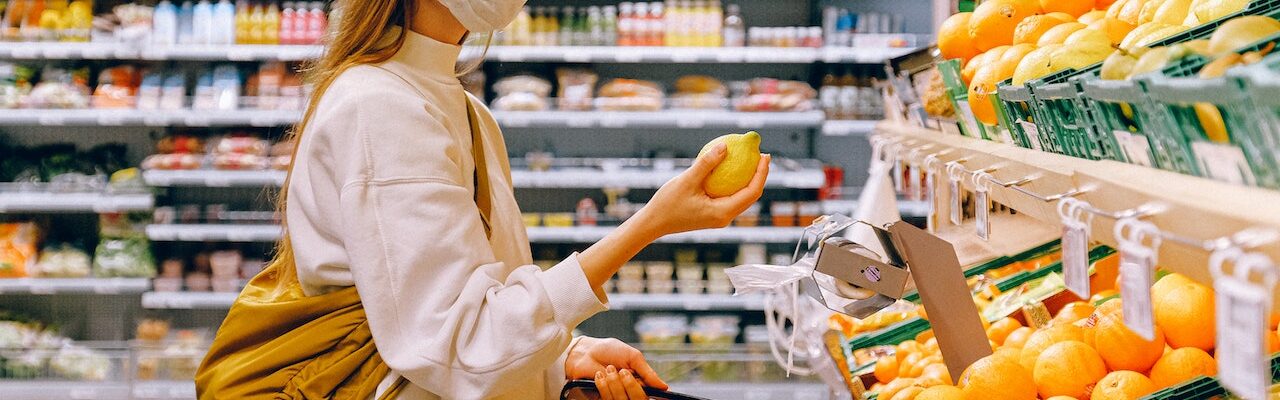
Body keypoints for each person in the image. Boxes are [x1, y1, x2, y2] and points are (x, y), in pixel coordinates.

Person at [194, 0, 770, 399]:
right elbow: (462, 344)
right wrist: (649, 224)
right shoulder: (381, 107)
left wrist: (563, 359)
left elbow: (481, 306)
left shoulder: (467, 112)